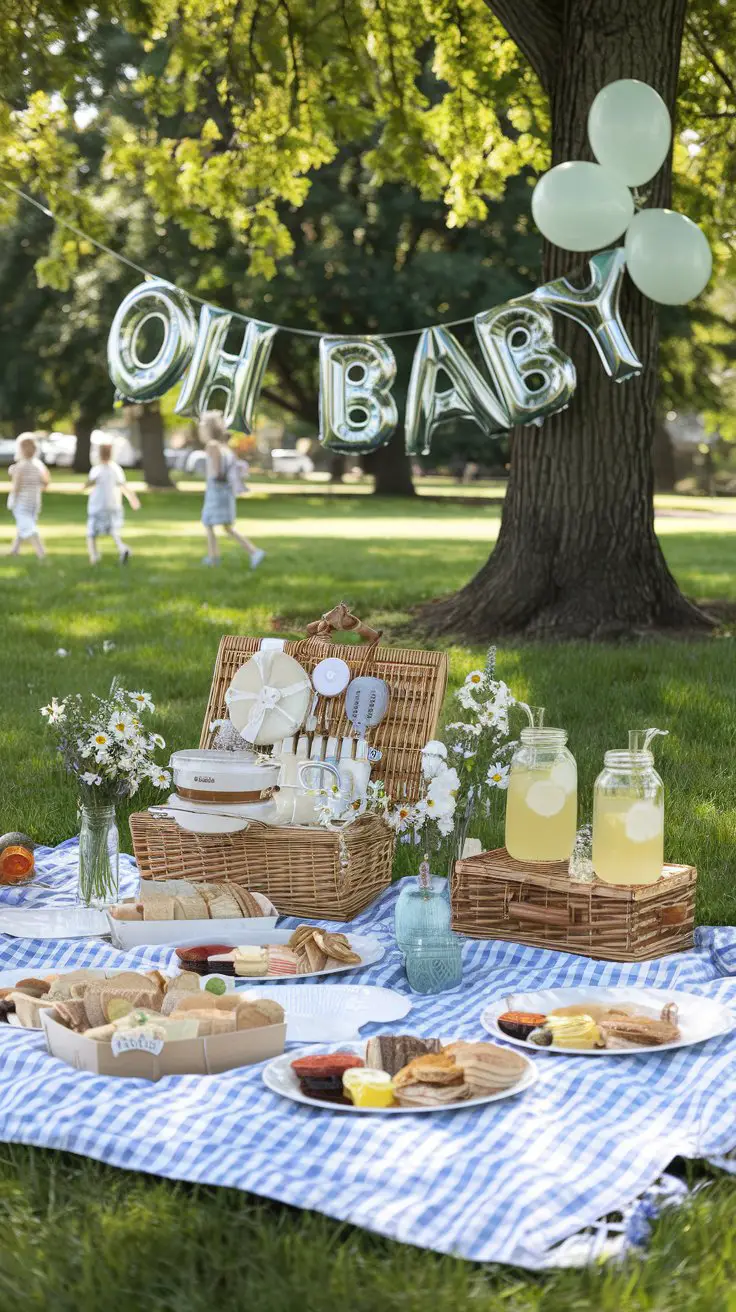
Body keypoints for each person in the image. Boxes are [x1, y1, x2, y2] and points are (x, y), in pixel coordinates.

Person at [199, 412, 265, 568]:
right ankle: (250, 552)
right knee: (225, 526)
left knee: (209, 522)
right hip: (226, 491)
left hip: (216, 491)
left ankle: (215, 558)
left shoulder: (213, 446)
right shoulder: (224, 447)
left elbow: (216, 471)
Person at [83, 442, 140, 564]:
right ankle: (122, 548)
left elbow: (88, 484)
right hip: (113, 506)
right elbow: (123, 486)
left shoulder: (97, 470)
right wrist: (133, 498)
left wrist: (86, 485)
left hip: (97, 506)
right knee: (114, 532)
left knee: (91, 533)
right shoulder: (116, 469)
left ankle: (94, 557)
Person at [7, 435, 49, 559]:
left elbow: (17, 486)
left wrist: (12, 499)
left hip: (22, 503)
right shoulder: (38, 466)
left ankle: (41, 554)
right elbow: (45, 482)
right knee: (24, 525)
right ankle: (15, 550)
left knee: (29, 528)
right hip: (34, 502)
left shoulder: (21, 466)